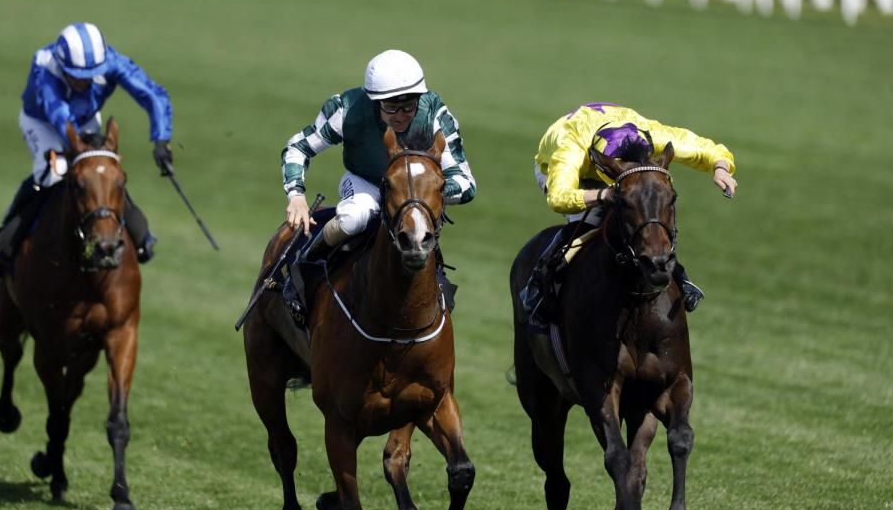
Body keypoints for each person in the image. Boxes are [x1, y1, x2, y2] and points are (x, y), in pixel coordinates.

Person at [279, 50, 477, 313]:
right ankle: (304, 266)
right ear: (375, 101)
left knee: (418, 230)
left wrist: (427, 193)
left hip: (416, 194)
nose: (401, 114)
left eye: (409, 105)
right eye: (391, 106)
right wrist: (296, 195)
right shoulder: (346, 108)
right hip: (365, 182)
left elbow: (466, 183)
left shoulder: (436, 114)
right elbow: (299, 147)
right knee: (354, 218)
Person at [520, 102, 737, 319]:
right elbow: (558, 197)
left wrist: (721, 169)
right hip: (557, 165)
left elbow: (707, 149)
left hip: (612, 139)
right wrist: (601, 195)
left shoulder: (652, 135)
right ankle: (539, 283)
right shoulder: (571, 146)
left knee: (647, 210)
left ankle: (678, 274)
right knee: (589, 222)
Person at [0, 22, 174, 275]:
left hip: (85, 119)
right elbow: (59, 115)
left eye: (90, 76)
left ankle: (141, 235)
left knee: (104, 173)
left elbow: (152, 95)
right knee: (54, 172)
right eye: (76, 76)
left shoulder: (113, 62)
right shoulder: (45, 67)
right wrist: (81, 152)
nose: (83, 82)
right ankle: (6, 241)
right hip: (44, 122)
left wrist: (161, 140)